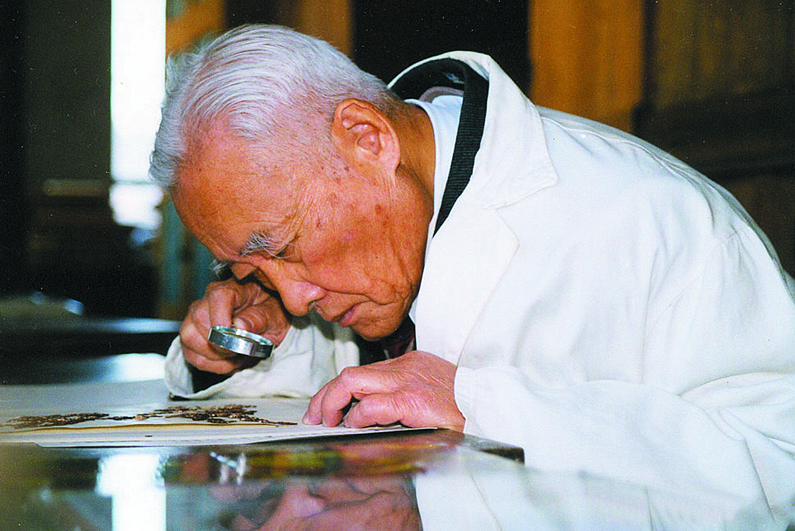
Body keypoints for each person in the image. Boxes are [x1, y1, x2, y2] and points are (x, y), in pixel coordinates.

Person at [150, 24, 795, 517]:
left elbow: (779, 469)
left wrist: (487, 408)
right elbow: (362, 381)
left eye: (285, 245)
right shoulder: (378, 215)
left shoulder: (656, 216)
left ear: (369, 139)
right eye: (249, 268)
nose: (291, 297)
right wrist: (262, 344)